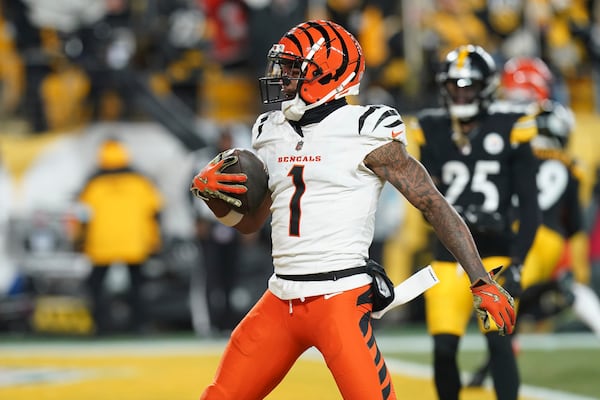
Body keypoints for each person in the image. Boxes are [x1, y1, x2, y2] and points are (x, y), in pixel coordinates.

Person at [190, 20, 516, 400]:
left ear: (325, 72)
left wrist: (480, 279)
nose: (283, 77)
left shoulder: (367, 128)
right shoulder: (268, 130)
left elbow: (431, 202)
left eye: (294, 68)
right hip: (280, 298)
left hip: (339, 299)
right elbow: (252, 224)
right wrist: (217, 199)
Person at [412, 45, 541, 400]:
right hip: (446, 258)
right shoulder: (431, 128)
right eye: (455, 86)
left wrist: (519, 260)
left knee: (500, 348)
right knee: (442, 350)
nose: (461, 93)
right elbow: (426, 199)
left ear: (485, 87)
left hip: (495, 258)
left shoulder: (512, 124)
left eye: (468, 86)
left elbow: (530, 204)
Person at [76, 138, 163, 334]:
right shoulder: (141, 181)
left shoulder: (93, 183)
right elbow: (155, 213)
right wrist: (154, 241)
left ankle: (100, 326)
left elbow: (82, 216)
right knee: (138, 286)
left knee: (96, 286)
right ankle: (139, 325)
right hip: (134, 243)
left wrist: (79, 241)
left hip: (102, 243)